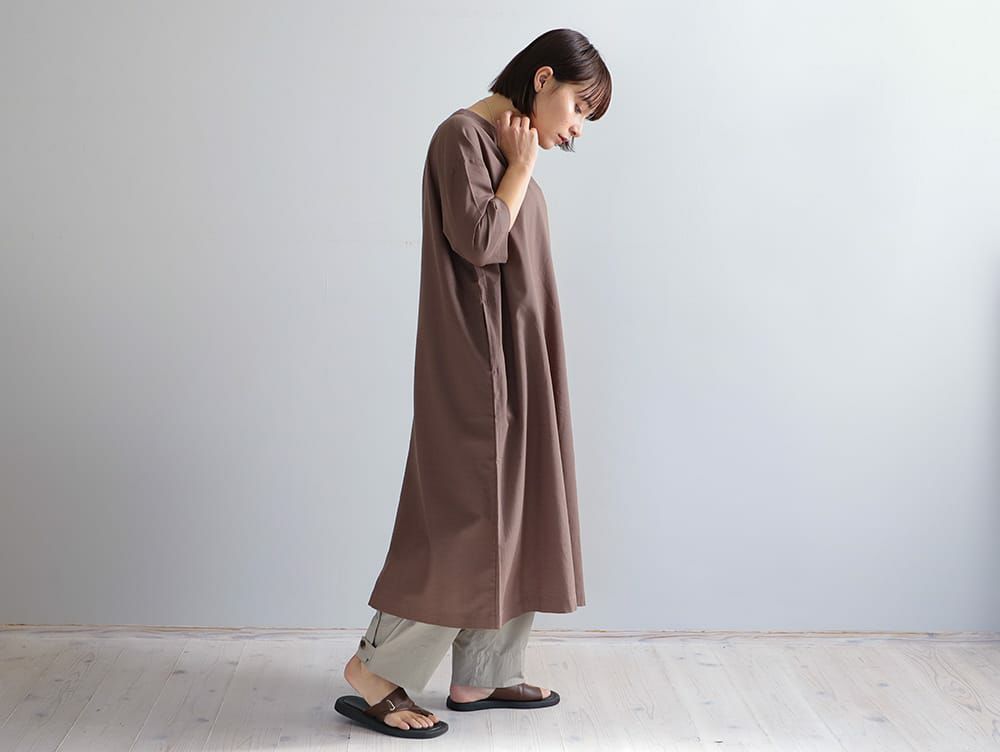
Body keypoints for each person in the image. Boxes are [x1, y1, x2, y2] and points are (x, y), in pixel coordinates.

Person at [335, 28, 611, 739]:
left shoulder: (507, 147)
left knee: (518, 508)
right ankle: (375, 670)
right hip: (476, 363)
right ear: (543, 79)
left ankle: (481, 673)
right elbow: (482, 240)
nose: (578, 128)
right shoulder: (462, 137)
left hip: (519, 362)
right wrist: (520, 166)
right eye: (579, 107)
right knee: (467, 519)